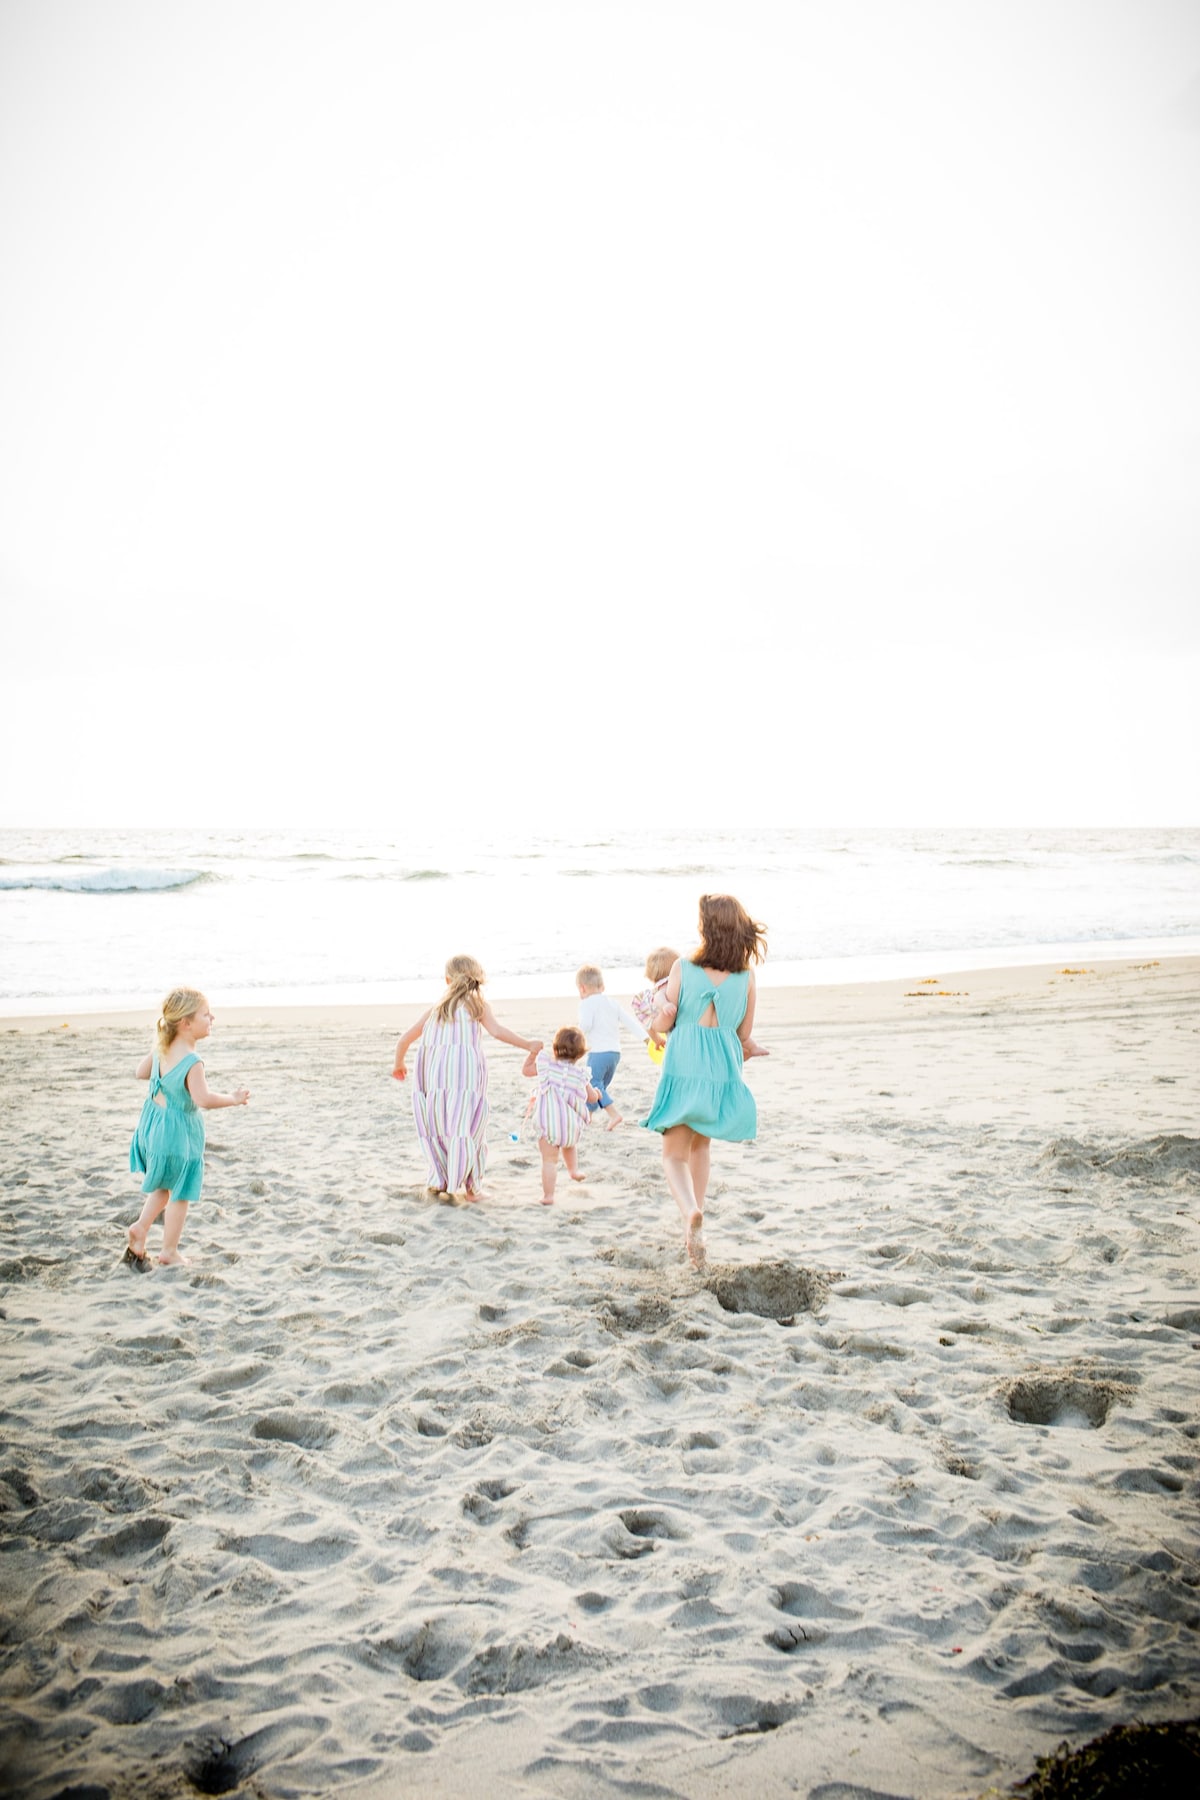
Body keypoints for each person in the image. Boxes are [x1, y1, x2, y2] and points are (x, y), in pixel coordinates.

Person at [640, 895, 768, 1268]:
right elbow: (744, 1035)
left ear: (706, 929)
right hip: (722, 1067)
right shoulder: (746, 976)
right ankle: (695, 1231)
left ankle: (690, 1213)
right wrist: (751, 1048)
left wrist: (655, 1025)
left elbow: (665, 1021)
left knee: (673, 1155)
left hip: (686, 1063)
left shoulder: (683, 967)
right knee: (701, 1148)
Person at [392, 955, 542, 1200]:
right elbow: (498, 1032)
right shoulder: (477, 1006)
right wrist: (528, 1044)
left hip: (437, 1078)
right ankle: (472, 1189)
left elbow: (405, 1039)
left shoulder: (436, 1009)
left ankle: (440, 1178)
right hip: (466, 1077)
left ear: (447, 979)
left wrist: (398, 1064)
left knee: (441, 1123)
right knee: (468, 1126)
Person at [126, 989, 250, 1267]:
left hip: (152, 1127)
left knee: (163, 1185)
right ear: (186, 1023)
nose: (212, 1018)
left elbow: (141, 1072)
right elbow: (203, 1099)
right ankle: (169, 1251)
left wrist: (160, 1051)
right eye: (206, 1014)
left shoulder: (162, 1048)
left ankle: (141, 1228)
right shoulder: (193, 1062)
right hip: (177, 1133)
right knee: (180, 1190)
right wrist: (233, 1098)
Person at [522, 1026, 600, 1204]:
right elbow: (592, 1097)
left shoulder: (546, 1067)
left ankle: (548, 1196)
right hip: (569, 1125)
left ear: (554, 1048)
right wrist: (597, 1093)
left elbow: (526, 1071)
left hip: (548, 1124)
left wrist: (532, 1055)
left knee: (549, 1161)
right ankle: (574, 1170)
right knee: (569, 1145)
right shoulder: (580, 1074)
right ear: (580, 1054)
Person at [575, 964, 647, 1128]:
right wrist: (646, 1038)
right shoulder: (613, 1003)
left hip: (598, 1053)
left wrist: (573, 1036)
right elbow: (629, 1021)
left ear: (582, 988)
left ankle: (614, 1115)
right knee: (599, 1086)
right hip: (615, 1053)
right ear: (602, 986)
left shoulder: (586, 1003)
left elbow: (585, 1025)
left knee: (593, 1084)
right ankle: (589, 1116)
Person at [631, 945, 679, 1051]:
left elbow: (649, 1024)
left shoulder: (661, 984)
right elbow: (659, 996)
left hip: (657, 1014)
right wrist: (665, 1005)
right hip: (661, 1006)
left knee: (649, 1022)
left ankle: (656, 1039)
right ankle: (656, 1039)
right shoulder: (667, 982)